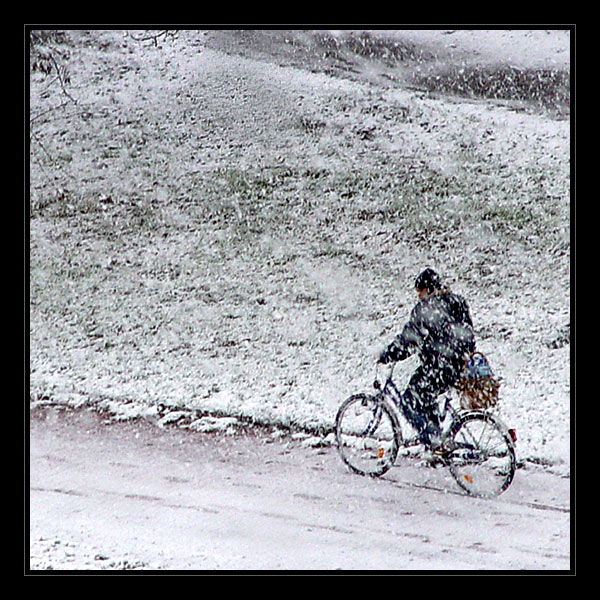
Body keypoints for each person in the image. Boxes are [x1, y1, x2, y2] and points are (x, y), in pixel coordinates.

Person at [378, 268, 476, 449]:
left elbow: (409, 339)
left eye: (420, 292)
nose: (419, 297)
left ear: (429, 289)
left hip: (439, 365)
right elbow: (468, 334)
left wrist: (389, 354)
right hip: (459, 364)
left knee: (409, 400)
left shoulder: (426, 309)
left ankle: (435, 441)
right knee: (426, 396)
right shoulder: (457, 301)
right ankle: (435, 445)